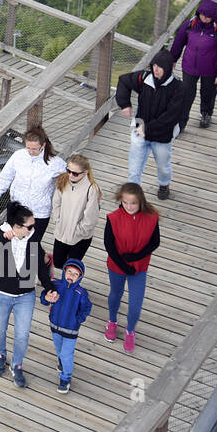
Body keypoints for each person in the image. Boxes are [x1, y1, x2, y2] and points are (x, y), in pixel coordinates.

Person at [0, 205, 49, 389]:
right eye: (29, 226)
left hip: (25, 296)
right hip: (0, 294)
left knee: (22, 335)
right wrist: (2, 238)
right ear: (17, 226)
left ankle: (17, 365)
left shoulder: (33, 238)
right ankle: (0, 356)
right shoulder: (3, 235)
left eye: (33, 226)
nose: (32, 229)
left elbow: (42, 268)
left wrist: (50, 288)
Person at [115, 47, 183, 200]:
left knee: (163, 167)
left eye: (159, 67)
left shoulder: (178, 88)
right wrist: (125, 104)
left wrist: (148, 128)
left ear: (167, 68)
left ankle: (164, 184)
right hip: (140, 130)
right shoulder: (144, 78)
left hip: (162, 136)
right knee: (134, 169)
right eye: (154, 66)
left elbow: (171, 117)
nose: (156, 70)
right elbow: (123, 80)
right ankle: (133, 195)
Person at [103, 182, 160, 352]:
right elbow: (109, 245)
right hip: (116, 265)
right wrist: (123, 265)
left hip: (139, 267)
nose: (129, 206)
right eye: (125, 202)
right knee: (115, 293)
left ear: (140, 201)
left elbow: (154, 242)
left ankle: (130, 330)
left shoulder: (152, 217)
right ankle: (112, 321)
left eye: (133, 203)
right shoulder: (113, 218)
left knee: (136, 305)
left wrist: (135, 258)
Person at [0, 124, 66, 247]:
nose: (30, 152)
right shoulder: (19, 156)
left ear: (43, 146)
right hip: (18, 209)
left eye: (34, 149)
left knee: (32, 246)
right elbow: (6, 176)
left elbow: (72, 178)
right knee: (11, 243)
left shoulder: (55, 163)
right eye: (28, 147)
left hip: (39, 213)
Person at [170, 0, 217, 131]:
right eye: (202, 14)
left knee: (208, 92)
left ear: (214, 17)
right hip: (189, 67)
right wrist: (173, 59)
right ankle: (180, 124)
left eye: (208, 16)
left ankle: (206, 114)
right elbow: (178, 42)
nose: (204, 18)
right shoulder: (189, 24)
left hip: (210, 69)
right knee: (186, 95)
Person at [41, 258, 92, 394]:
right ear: (64, 271)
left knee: (66, 354)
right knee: (59, 349)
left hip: (71, 329)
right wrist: (46, 298)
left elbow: (87, 307)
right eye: (69, 272)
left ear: (80, 278)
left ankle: (66, 378)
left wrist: (78, 319)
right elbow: (44, 296)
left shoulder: (81, 293)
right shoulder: (55, 285)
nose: (71, 276)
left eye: (76, 274)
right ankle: (62, 362)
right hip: (55, 326)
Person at [47, 152, 101, 273]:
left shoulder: (91, 189)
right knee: (58, 262)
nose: (71, 175)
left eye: (75, 173)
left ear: (85, 172)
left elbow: (90, 217)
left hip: (80, 237)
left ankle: (67, 289)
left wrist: (78, 231)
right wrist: (58, 220)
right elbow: (56, 202)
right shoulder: (63, 180)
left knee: (71, 268)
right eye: (68, 170)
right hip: (62, 231)